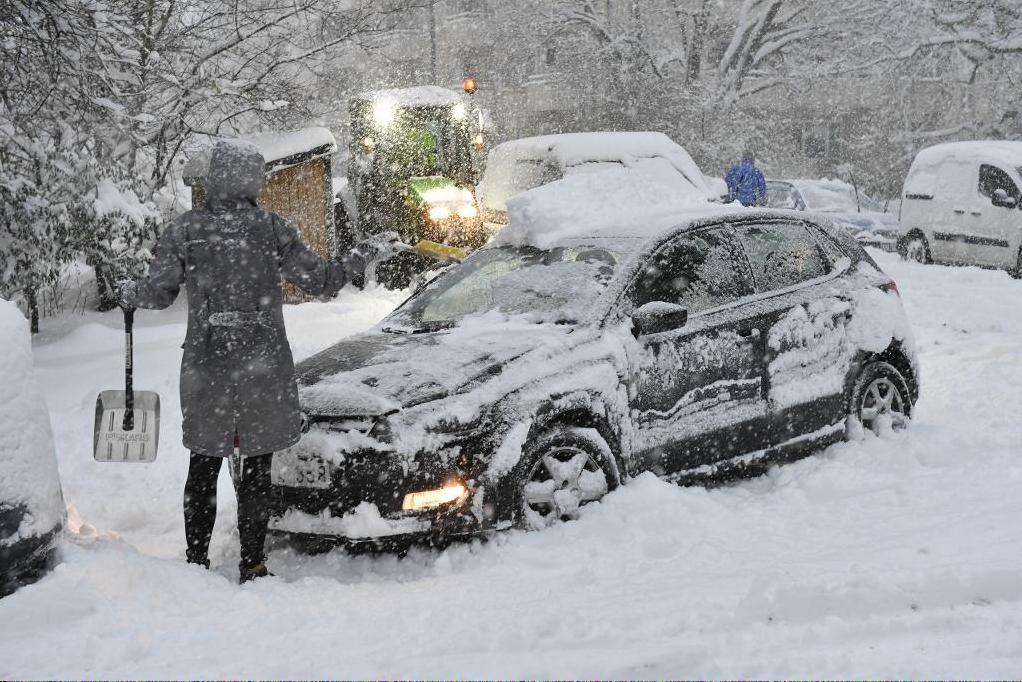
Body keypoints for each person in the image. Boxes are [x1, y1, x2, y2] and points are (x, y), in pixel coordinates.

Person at [119, 140, 364, 583]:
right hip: (263, 367)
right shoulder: (272, 229)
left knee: (204, 464)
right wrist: (356, 260)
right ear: (254, 180)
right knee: (257, 469)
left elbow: (159, 292)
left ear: (214, 179)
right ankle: (253, 563)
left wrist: (130, 292)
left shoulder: (187, 229)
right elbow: (322, 282)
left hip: (207, 366)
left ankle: (196, 563)